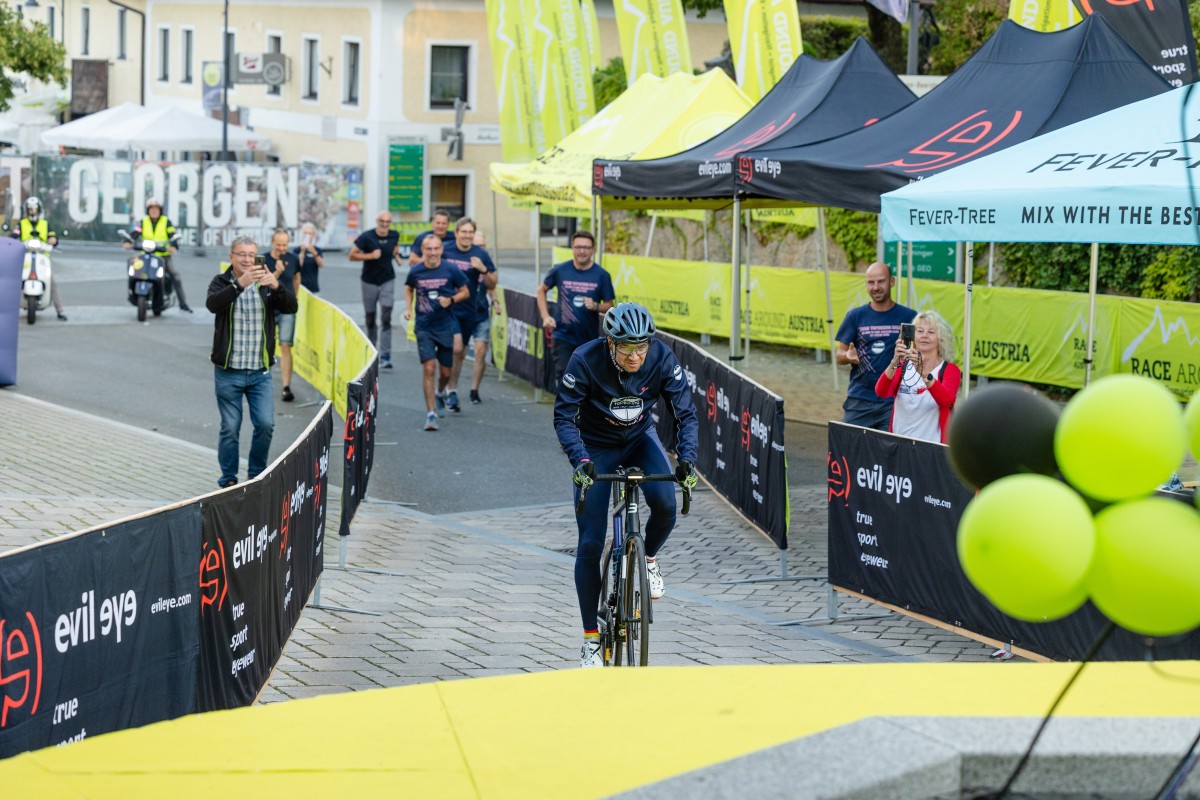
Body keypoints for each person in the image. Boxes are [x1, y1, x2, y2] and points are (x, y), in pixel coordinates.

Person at [553, 302, 699, 668]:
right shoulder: (585, 359)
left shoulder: (662, 357)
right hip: (596, 447)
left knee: (666, 503)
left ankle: (648, 558)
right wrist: (579, 460)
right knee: (589, 543)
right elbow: (564, 416)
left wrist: (687, 460)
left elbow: (686, 412)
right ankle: (589, 639)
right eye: (626, 348)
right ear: (610, 343)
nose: (635, 356)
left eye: (642, 347)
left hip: (639, 439)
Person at [206, 236, 297, 488]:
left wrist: (277, 286)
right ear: (231, 257)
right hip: (229, 372)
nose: (247, 259)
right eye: (241, 254)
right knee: (230, 428)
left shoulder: (266, 284)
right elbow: (213, 304)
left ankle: (256, 475)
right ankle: (228, 480)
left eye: (252, 254)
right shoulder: (222, 281)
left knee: (266, 424)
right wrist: (239, 285)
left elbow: (292, 307)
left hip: (260, 372)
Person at [834, 262, 916, 431]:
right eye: (871, 282)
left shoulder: (910, 317)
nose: (876, 287)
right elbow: (839, 354)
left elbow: (919, 355)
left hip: (895, 400)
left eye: (881, 281)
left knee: (889, 453)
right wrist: (848, 357)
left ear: (892, 282)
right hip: (860, 398)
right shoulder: (855, 316)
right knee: (849, 449)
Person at [403, 235, 469, 431]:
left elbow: (465, 291)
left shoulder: (451, 269)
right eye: (428, 249)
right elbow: (408, 288)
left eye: (435, 249)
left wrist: (451, 300)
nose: (432, 253)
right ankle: (430, 414)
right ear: (422, 251)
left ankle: (440, 392)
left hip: (445, 325)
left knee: (446, 372)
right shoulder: (416, 270)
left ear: (441, 250)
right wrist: (408, 308)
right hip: (424, 326)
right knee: (429, 368)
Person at [536, 230, 615, 388]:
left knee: (586, 383)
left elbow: (610, 306)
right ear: (572, 248)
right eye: (578, 247)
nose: (582, 251)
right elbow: (541, 290)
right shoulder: (560, 270)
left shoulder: (602, 275)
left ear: (592, 250)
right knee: (566, 379)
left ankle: (580, 413)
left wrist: (595, 306)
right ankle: (566, 412)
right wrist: (545, 316)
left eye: (586, 247)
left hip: (588, 340)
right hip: (562, 336)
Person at [875, 310, 961, 443]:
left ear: (941, 339)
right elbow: (881, 392)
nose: (924, 336)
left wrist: (923, 373)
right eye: (920, 331)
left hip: (931, 448)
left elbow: (946, 401)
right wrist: (894, 362)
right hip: (898, 443)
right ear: (913, 336)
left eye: (931, 332)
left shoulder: (950, 370)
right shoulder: (902, 365)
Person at [440, 217, 497, 411]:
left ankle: (459, 390)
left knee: (466, 353)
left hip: (472, 311)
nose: (467, 236)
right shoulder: (445, 250)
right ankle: (451, 390)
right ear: (456, 233)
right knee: (457, 349)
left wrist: (483, 270)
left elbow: (493, 283)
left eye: (470, 233)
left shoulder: (480, 253)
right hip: (451, 309)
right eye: (463, 232)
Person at [350, 211, 400, 369]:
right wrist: (370, 256)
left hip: (387, 280)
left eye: (388, 221)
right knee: (370, 319)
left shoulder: (394, 235)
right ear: (377, 221)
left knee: (386, 317)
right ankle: (371, 353)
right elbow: (352, 256)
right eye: (382, 221)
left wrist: (396, 256)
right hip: (369, 281)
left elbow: (394, 248)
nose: (385, 224)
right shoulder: (366, 237)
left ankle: (386, 355)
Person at [130, 198, 191, 312]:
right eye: (151, 209)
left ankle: (183, 304)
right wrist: (128, 241)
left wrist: (173, 246)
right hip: (146, 255)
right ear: (148, 210)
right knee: (133, 269)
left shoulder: (166, 221)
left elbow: (172, 234)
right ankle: (132, 293)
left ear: (160, 210)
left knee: (174, 276)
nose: (154, 211)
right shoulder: (144, 222)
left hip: (163, 256)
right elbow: (135, 232)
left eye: (156, 209)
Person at [12, 196, 67, 321]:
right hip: (25, 256)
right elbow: (14, 234)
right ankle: (10, 308)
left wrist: (53, 240)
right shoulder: (21, 223)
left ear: (39, 210)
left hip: (42, 257)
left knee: (52, 281)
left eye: (34, 209)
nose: (32, 211)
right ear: (26, 210)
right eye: (30, 209)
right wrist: (13, 238)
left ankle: (60, 310)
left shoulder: (45, 224)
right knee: (14, 280)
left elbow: (53, 237)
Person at [267, 229, 301, 402]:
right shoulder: (264, 260)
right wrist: (277, 273)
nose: (282, 248)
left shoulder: (293, 259)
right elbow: (263, 284)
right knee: (266, 346)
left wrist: (292, 298)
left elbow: (296, 279)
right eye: (279, 244)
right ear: (272, 242)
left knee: (286, 346)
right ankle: (262, 383)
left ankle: (286, 387)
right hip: (268, 308)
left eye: (285, 245)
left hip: (286, 309)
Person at [293, 222, 325, 294]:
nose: (307, 236)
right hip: (300, 287)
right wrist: (302, 252)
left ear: (313, 235)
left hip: (313, 287)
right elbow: (297, 266)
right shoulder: (297, 250)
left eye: (310, 233)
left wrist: (314, 253)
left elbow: (322, 265)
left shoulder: (317, 250)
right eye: (305, 233)